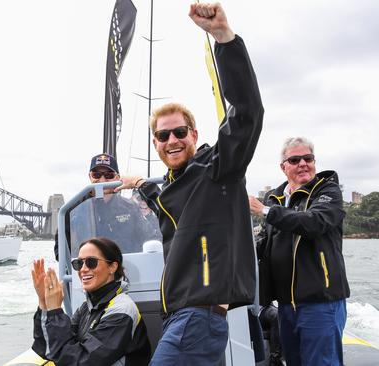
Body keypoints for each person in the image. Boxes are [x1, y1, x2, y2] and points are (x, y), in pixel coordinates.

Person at [117, 3, 263, 364]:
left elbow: (247, 113)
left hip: (197, 316)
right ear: (155, 144)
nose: (172, 141)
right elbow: (161, 193)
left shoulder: (218, 169)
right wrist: (136, 181)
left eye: (179, 132)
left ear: (194, 134)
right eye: (162, 136)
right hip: (184, 318)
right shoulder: (169, 187)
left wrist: (224, 39)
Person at [248, 137, 349, 366]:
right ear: (283, 167)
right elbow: (264, 243)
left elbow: (314, 222)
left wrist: (265, 211)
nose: (303, 163)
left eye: (308, 158)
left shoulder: (327, 191)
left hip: (321, 303)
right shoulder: (275, 198)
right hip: (285, 305)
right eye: (295, 159)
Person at [31, 237, 151, 365]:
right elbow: (46, 348)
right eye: (79, 263)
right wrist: (43, 302)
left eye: (91, 262)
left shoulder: (121, 311)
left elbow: (80, 361)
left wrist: (55, 311)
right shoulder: (88, 307)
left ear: (112, 267)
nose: (83, 269)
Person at [69, 153, 159, 254]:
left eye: (109, 175)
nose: (102, 180)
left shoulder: (130, 207)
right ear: (90, 176)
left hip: (125, 267)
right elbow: (61, 248)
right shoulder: (75, 210)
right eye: (96, 175)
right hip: (90, 267)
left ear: (117, 177)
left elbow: (150, 238)